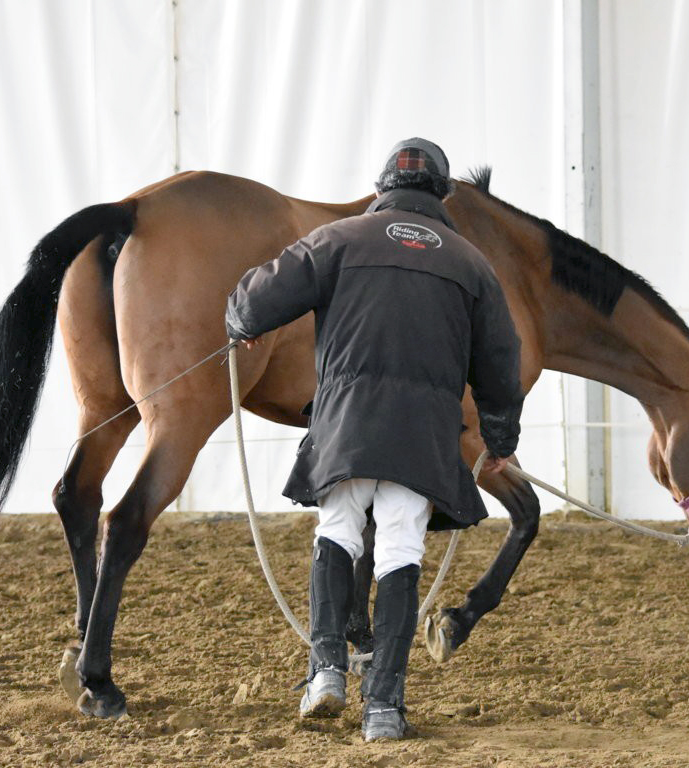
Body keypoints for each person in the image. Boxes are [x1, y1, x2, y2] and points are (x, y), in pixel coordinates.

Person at [225, 137, 523, 741]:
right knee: (399, 553)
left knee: (337, 532)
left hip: (347, 425)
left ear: (382, 188)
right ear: (441, 194)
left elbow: (256, 297)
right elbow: (500, 362)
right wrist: (499, 435)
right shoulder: (472, 264)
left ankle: (327, 671)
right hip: (423, 436)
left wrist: (242, 324)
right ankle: (383, 707)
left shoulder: (337, 239)